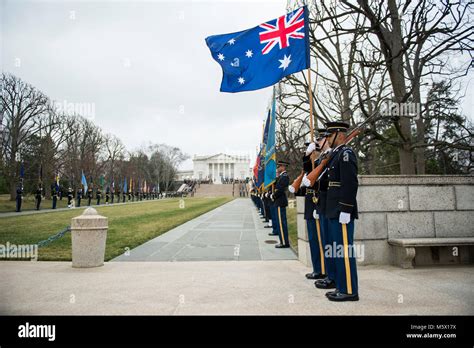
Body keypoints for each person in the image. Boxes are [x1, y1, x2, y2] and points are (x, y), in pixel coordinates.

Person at [321, 121, 359, 302]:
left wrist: (346, 208)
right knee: (335, 250)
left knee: (343, 251)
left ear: (340, 135)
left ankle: (349, 290)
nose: (327, 139)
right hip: (332, 210)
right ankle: (340, 285)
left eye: (330, 135)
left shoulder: (346, 154)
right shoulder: (335, 155)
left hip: (341, 210)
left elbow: (350, 184)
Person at [299, 129, 329, 280]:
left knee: (321, 239)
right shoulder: (316, 161)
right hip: (312, 203)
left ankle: (323, 270)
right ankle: (318, 268)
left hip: (319, 202)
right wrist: (306, 155)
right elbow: (307, 170)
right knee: (313, 238)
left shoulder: (326, 158)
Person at [271, 160, 290, 248]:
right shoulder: (280, 177)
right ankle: (283, 241)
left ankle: (284, 242)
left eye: (279, 167)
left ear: (283, 167)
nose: (277, 168)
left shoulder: (284, 177)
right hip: (278, 201)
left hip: (280, 201)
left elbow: (280, 189)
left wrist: (273, 196)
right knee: (280, 223)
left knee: (282, 223)